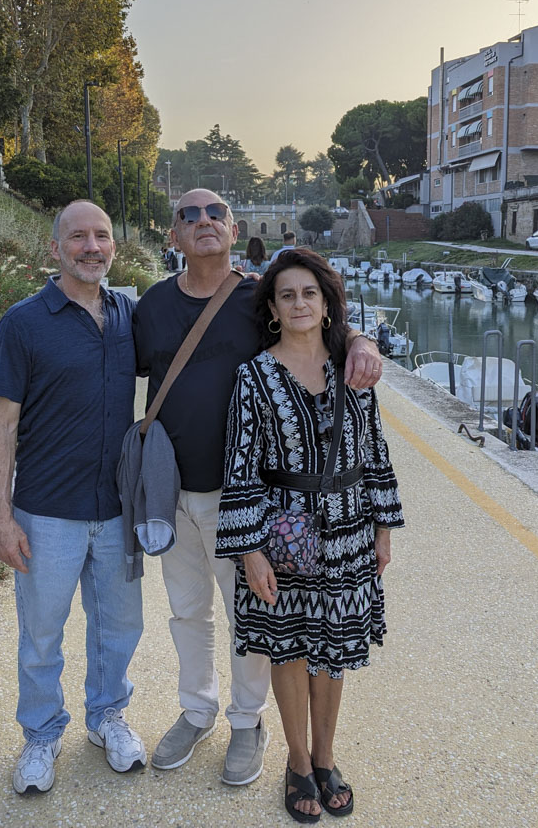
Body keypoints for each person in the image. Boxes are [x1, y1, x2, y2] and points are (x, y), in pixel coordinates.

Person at [133, 190, 383, 788]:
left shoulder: (256, 297)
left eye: (214, 214)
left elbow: (319, 325)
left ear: (232, 227)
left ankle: (247, 721)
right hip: (171, 488)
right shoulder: (152, 306)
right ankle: (197, 710)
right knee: (187, 611)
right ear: (173, 235)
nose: (203, 222)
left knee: (249, 616)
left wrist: (364, 342)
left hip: (241, 497)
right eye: (189, 215)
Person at [214, 249, 403, 822]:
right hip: (283, 533)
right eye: (287, 295)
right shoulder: (254, 376)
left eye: (309, 294)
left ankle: (326, 757)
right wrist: (249, 551)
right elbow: (240, 467)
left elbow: (374, 451)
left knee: (333, 650)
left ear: (326, 305)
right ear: (273, 309)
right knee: (290, 647)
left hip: (349, 528)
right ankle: (297, 762)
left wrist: (383, 527)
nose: (299, 303)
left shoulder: (355, 369)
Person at [0, 200, 147, 795]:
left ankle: (107, 718)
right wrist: (0, 518)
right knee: (41, 634)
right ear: (55, 248)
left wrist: (352, 335)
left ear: (113, 246)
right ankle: (42, 733)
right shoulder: (24, 322)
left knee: (118, 627)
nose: (91, 246)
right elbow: (1, 424)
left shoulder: (129, 315)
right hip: (46, 512)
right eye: (78, 237)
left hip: (117, 509)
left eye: (101, 235)